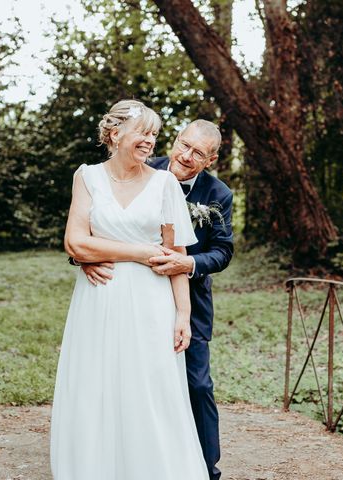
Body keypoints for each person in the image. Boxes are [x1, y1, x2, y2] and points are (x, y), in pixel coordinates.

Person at [49, 99, 209, 480]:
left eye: (154, 134)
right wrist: (138, 251)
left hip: (152, 304)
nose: (150, 141)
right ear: (115, 133)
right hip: (98, 300)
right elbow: (75, 244)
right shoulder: (86, 177)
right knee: (96, 386)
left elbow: (175, 255)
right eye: (143, 132)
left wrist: (183, 315)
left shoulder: (165, 183)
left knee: (151, 390)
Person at [82, 119, 234, 480]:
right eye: (184, 145)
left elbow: (223, 251)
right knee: (133, 380)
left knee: (197, 383)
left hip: (190, 303)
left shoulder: (218, 194)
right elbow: (100, 222)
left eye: (198, 153)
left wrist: (190, 262)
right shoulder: (142, 169)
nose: (186, 155)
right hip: (133, 296)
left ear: (210, 160)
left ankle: (206, 466)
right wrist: (82, 257)